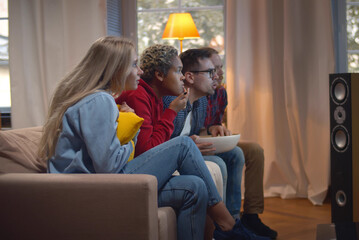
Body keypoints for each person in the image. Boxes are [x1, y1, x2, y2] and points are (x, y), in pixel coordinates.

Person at [38, 37, 257, 240]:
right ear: (116, 68)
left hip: (98, 183)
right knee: (183, 145)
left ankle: (227, 225)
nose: (140, 71)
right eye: (134, 64)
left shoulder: (99, 100)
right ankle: (228, 224)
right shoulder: (99, 101)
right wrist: (133, 129)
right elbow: (109, 166)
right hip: (94, 189)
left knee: (195, 186)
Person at [163, 48, 266, 240]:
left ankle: (235, 221)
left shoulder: (201, 102)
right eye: (211, 71)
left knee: (236, 154)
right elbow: (163, 141)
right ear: (190, 77)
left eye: (217, 69)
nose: (217, 75)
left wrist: (211, 131)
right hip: (177, 154)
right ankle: (227, 228)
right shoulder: (173, 101)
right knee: (218, 163)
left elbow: (196, 131)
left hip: (190, 149)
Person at [201, 47, 278, 239]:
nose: (219, 73)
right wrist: (209, 130)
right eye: (214, 68)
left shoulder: (220, 93)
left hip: (212, 139)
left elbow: (214, 122)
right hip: (199, 142)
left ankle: (251, 215)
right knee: (236, 154)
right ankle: (232, 220)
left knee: (254, 150)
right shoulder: (196, 90)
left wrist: (217, 127)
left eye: (221, 67)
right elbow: (192, 128)